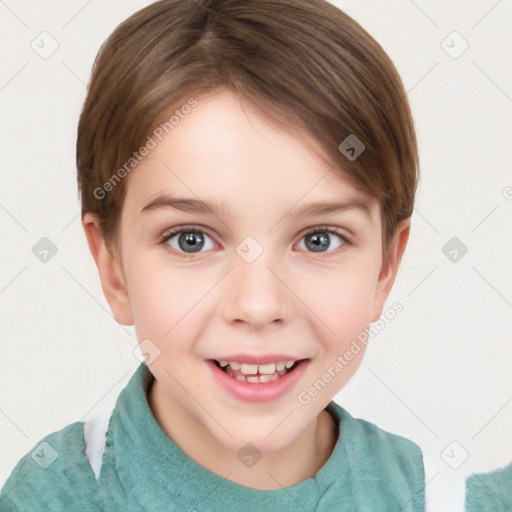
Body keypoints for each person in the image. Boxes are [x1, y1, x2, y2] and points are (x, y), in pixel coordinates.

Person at [1, 0, 510, 510]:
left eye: (319, 239)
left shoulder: (453, 502)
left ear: (385, 268)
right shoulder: (53, 496)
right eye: (191, 239)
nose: (259, 304)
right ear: (113, 269)